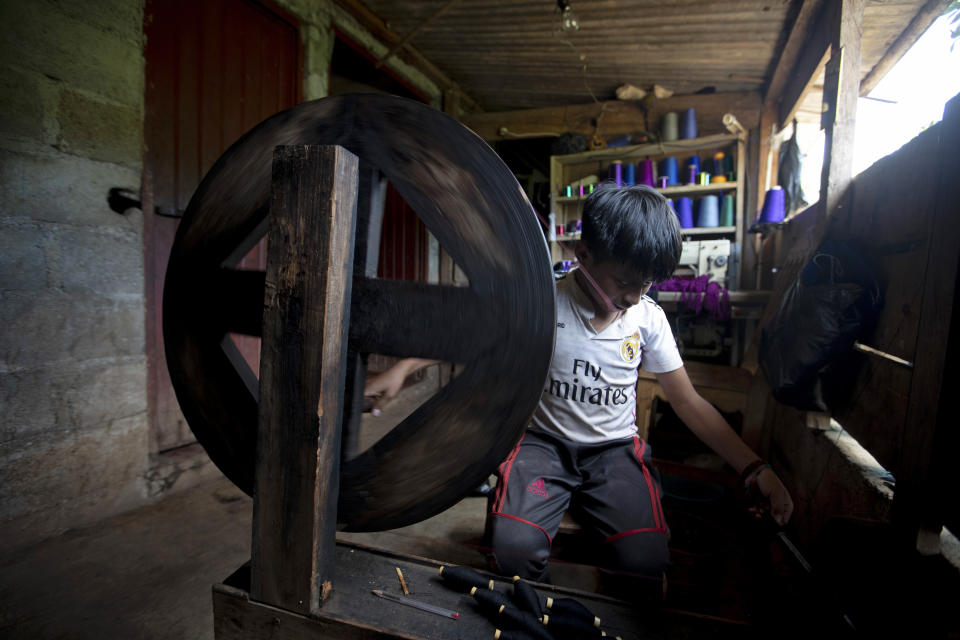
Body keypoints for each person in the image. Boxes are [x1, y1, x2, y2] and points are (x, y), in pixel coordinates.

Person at [365, 184, 793, 588]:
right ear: (583, 254)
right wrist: (402, 368)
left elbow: (688, 402)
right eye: (625, 282)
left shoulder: (647, 319)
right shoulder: (545, 302)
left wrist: (756, 469)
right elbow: (473, 336)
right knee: (513, 551)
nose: (634, 296)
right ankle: (537, 610)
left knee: (645, 561)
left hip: (614, 451)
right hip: (543, 446)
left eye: (647, 284)